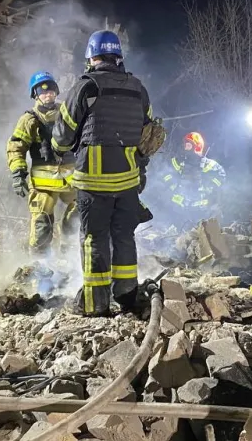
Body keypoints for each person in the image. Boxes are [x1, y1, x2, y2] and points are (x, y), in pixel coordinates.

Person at [51, 30, 155, 316]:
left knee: (94, 239)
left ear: (91, 57)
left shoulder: (86, 86)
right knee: (123, 237)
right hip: (128, 183)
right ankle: (126, 296)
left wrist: (61, 148)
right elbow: (148, 135)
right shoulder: (139, 89)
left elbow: (62, 134)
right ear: (118, 57)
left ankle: (95, 305)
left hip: (93, 183)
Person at [6, 70, 77, 295]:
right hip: (43, 184)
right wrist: (18, 174)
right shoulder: (29, 119)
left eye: (51, 90)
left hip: (71, 181)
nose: (47, 94)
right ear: (35, 94)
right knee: (42, 226)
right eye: (42, 91)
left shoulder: (68, 114)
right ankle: (40, 271)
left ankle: (69, 263)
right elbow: (16, 147)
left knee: (76, 220)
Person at [163, 131, 226, 217]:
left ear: (197, 146)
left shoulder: (209, 164)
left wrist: (209, 184)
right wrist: (173, 186)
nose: (185, 147)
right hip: (178, 209)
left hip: (201, 210)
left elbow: (222, 176)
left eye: (188, 145)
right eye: (185, 145)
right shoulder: (178, 162)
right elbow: (166, 175)